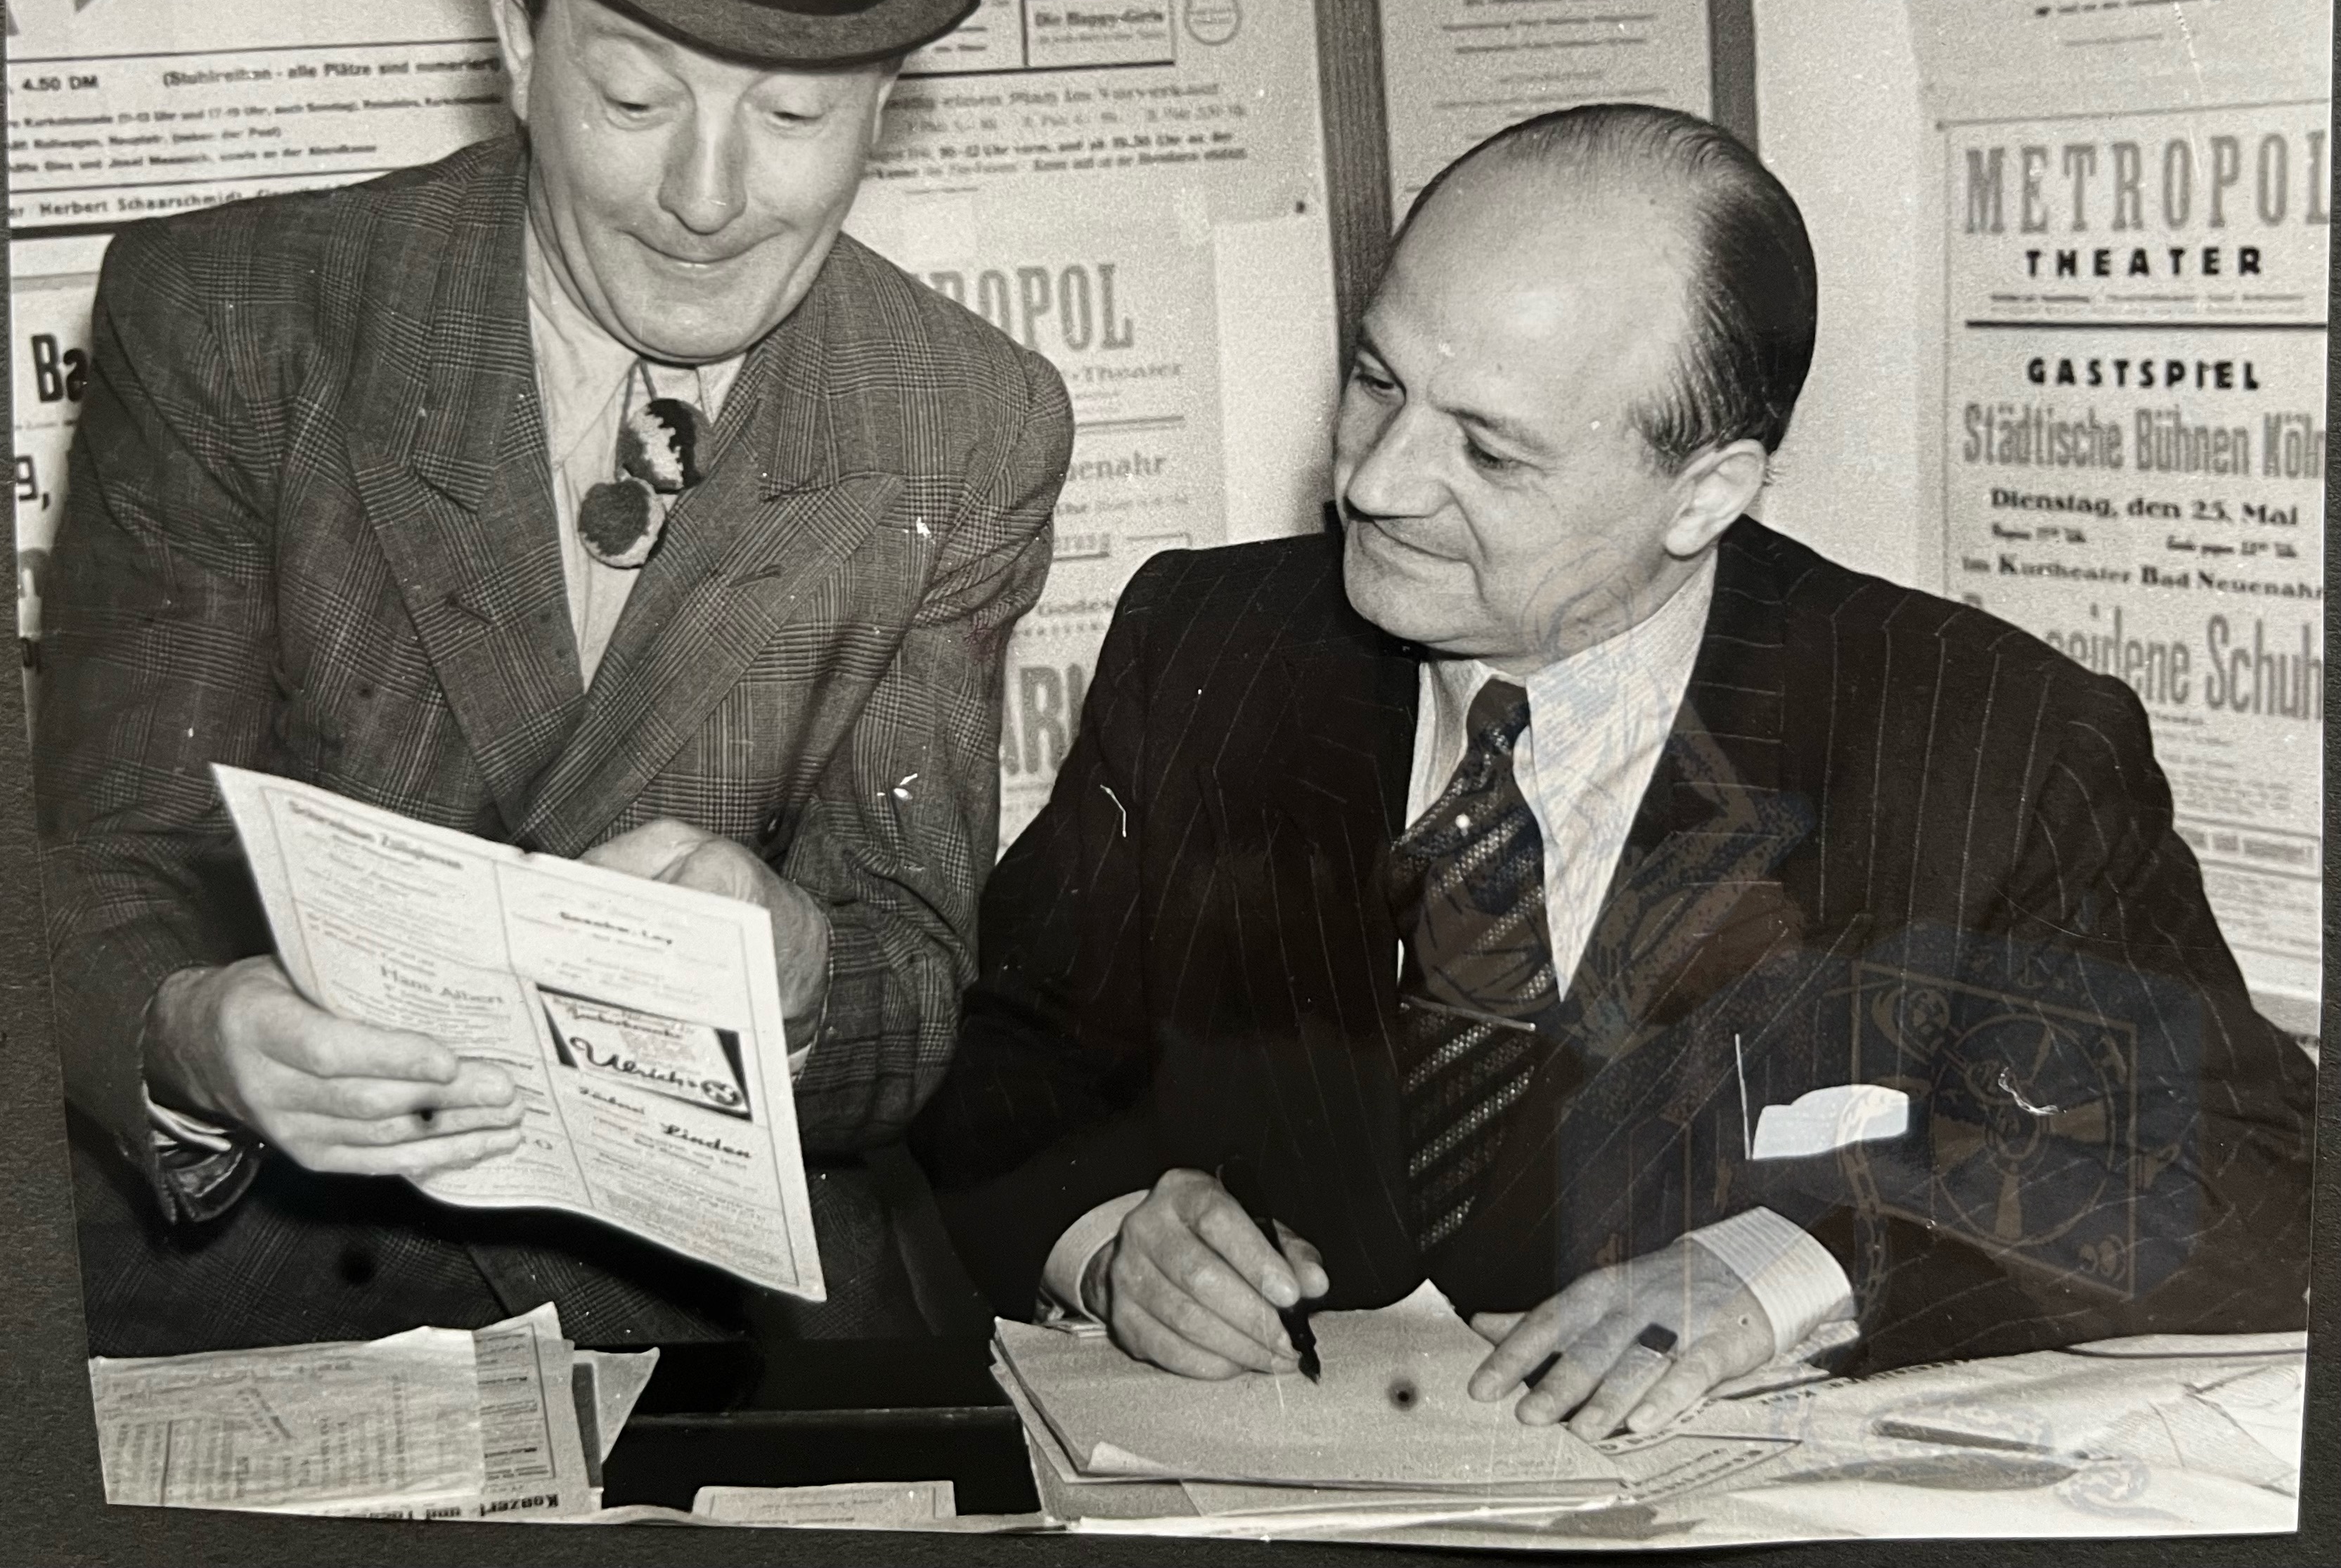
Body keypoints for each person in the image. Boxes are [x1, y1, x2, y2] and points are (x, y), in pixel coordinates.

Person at [914, 103, 2316, 1441]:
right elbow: (1002, 1052)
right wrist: (1108, 1239)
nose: (1377, 483)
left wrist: (1785, 1273)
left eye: (1488, 448)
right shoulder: (1210, 642)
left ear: (1704, 493)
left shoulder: (1989, 740)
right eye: (1377, 381)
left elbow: (2247, 1175)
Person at [41, 0, 1074, 1354]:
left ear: (883, 104)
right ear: (519, 45)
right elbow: (103, 858)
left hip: (711, 1316)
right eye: (636, 99)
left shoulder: (968, 424)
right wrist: (191, 1032)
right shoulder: (233, 320)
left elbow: (907, 991)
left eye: (791, 117)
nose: (706, 197)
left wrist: (796, 981)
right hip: (263, 1283)